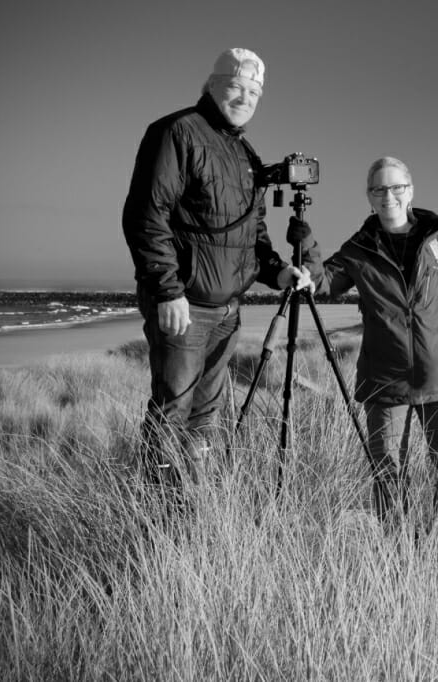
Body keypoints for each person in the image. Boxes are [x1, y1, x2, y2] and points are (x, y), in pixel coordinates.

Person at [122, 47, 311, 485]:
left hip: (227, 310)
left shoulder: (244, 152)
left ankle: (197, 493)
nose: (245, 97)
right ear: (212, 85)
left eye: (254, 91)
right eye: (235, 87)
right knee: (172, 410)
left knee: (207, 416)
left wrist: (278, 272)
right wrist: (167, 290)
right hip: (185, 306)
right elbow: (146, 215)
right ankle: (162, 508)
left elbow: (252, 233)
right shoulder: (177, 132)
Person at [286, 156, 438, 535]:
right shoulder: (359, 248)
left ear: (410, 191)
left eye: (396, 187)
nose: (388, 195)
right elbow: (322, 282)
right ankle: (399, 553)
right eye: (379, 189)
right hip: (385, 381)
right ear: (369, 197)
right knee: (388, 473)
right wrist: (306, 243)